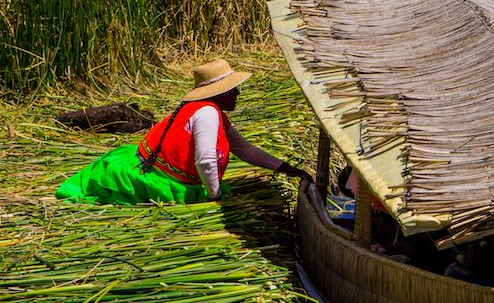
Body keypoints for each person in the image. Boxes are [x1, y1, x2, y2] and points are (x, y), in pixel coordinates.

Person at [57, 59, 312, 205]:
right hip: (165, 182)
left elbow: (244, 149)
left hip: (155, 165)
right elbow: (205, 160)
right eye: (232, 89)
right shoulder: (207, 113)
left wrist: (284, 168)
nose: (237, 94)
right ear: (218, 93)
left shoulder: (211, 112)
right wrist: (215, 195)